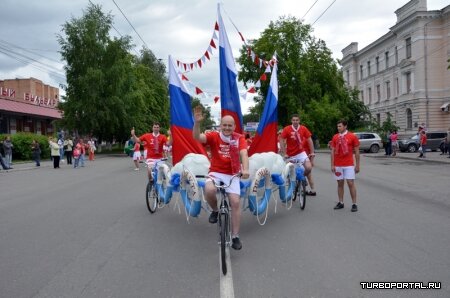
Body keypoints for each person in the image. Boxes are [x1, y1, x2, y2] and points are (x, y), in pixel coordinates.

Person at [193, 106, 249, 250]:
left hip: (233, 173)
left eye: (230, 125)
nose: (227, 128)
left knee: (235, 202)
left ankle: (235, 236)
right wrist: (197, 123)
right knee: (209, 189)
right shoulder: (214, 136)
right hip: (216, 172)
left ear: (234, 126)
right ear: (220, 125)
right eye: (224, 125)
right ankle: (215, 211)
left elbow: (244, 154)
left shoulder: (239, 138)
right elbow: (197, 137)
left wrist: (246, 169)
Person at [330, 119, 360, 212]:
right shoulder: (335, 137)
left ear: (345, 126)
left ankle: (354, 204)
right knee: (340, 184)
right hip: (338, 165)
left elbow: (357, 152)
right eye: (337, 126)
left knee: (350, 183)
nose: (338, 128)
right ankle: (341, 202)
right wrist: (332, 164)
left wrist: (357, 165)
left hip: (349, 164)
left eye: (340, 126)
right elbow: (332, 151)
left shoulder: (352, 136)